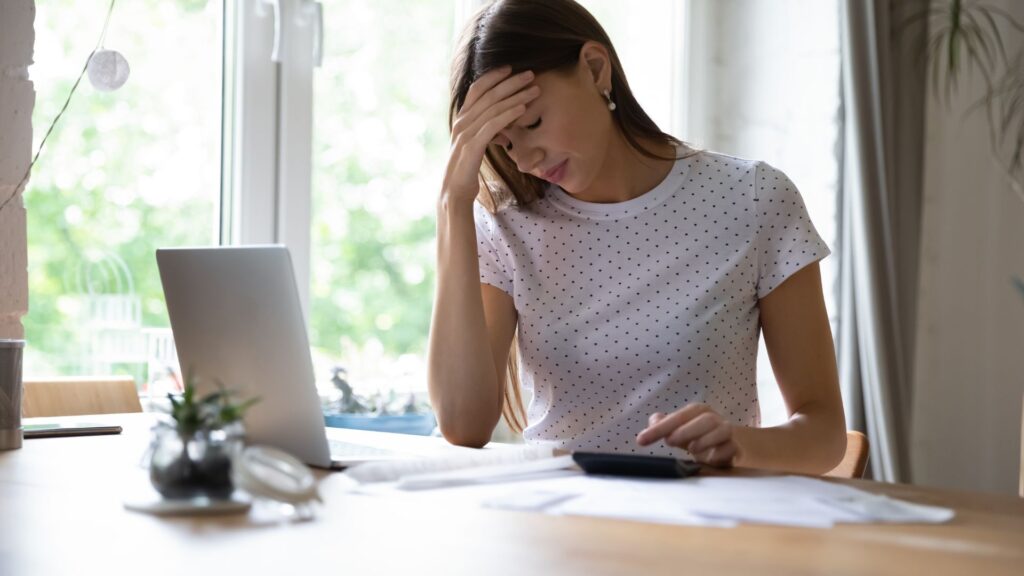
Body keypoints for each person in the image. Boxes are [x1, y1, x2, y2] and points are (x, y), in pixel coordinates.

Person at [427, 0, 846, 475]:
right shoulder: (506, 225)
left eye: (533, 124)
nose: (525, 158)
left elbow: (826, 434)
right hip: (558, 522)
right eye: (504, 143)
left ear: (594, 69)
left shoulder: (753, 199)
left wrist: (741, 444)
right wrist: (452, 206)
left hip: (706, 528)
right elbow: (464, 425)